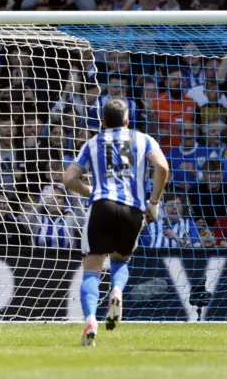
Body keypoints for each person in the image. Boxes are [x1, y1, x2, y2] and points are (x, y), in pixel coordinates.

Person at [63, 98, 169, 346]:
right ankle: (117, 292)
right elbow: (162, 167)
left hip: (101, 207)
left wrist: (92, 191)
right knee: (121, 260)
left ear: (103, 121)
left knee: (91, 270)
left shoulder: (93, 142)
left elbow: (68, 178)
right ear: (127, 120)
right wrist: (154, 201)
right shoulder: (143, 139)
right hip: (133, 209)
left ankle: (90, 319)